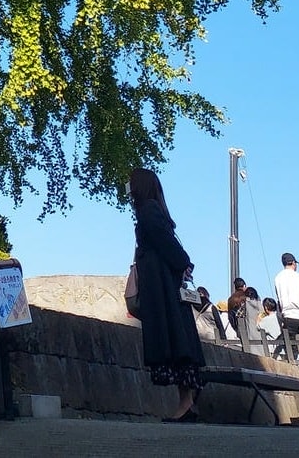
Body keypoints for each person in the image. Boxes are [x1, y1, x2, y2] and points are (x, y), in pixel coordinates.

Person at [129, 167, 205, 422]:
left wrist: (182, 261)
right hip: (166, 283)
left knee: (173, 340)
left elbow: (163, 243)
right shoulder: (154, 210)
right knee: (179, 340)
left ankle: (185, 403)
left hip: (162, 287)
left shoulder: (147, 211)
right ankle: (187, 402)